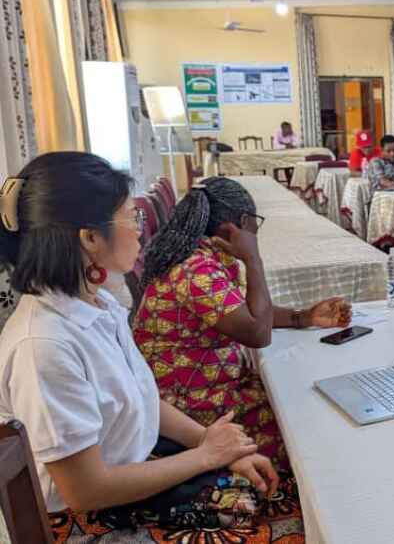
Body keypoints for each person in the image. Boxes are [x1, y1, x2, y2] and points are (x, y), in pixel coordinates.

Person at [0, 152, 279, 531]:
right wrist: (207, 457)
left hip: (136, 471)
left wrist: (208, 441)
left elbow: (141, 396)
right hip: (87, 521)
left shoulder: (96, 305)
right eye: (133, 216)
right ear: (91, 238)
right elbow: (85, 491)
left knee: (268, 478)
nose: (139, 228)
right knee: (286, 504)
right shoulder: (44, 345)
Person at [134, 177, 351, 470]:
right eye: (255, 223)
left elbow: (243, 311)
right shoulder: (196, 270)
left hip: (202, 383)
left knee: (302, 392)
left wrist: (304, 316)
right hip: (189, 404)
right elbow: (257, 333)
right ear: (238, 225)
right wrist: (254, 260)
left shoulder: (202, 254)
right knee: (307, 429)